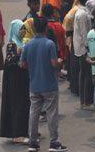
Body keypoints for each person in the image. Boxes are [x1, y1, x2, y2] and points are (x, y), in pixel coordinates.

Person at [19, 17, 66, 152]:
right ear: (46, 28)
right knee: (51, 113)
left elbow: (23, 64)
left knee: (34, 113)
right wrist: (60, 61)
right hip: (49, 84)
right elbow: (54, 64)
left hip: (34, 84)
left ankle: (33, 142)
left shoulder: (28, 45)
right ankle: (54, 142)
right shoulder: (49, 44)